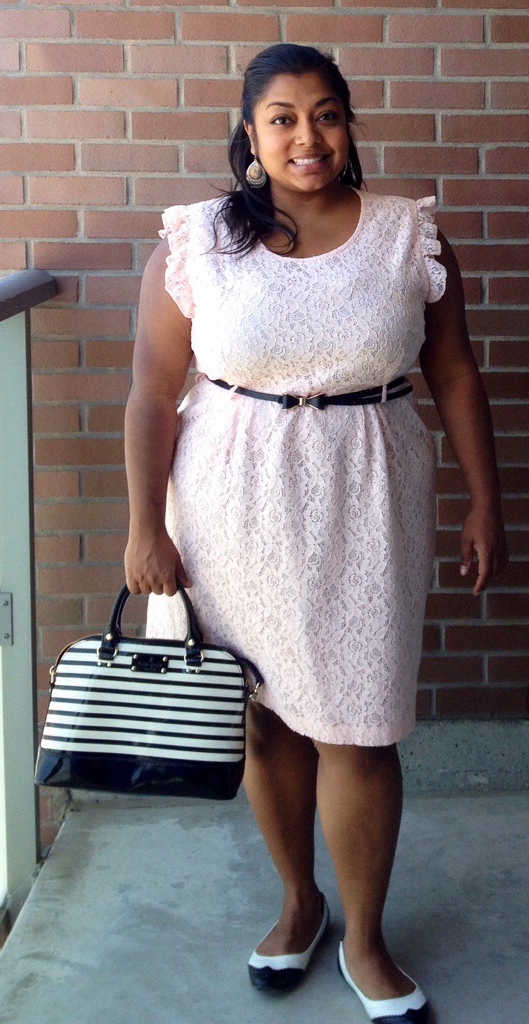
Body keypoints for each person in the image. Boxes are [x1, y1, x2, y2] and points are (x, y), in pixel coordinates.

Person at [123, 42, 508, 1023]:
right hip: (231, 500)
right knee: (267, 714)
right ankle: (299, 903)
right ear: (250, 135)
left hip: (370, 490)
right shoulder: (198, 241)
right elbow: (153, 395)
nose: (308, 136)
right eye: (284, 117)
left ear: (348, 124)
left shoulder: (408, 235)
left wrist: (486, 500)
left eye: (327, 113)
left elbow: (455, 372)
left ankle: (366, 938)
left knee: (361, 723)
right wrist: (144, 525)